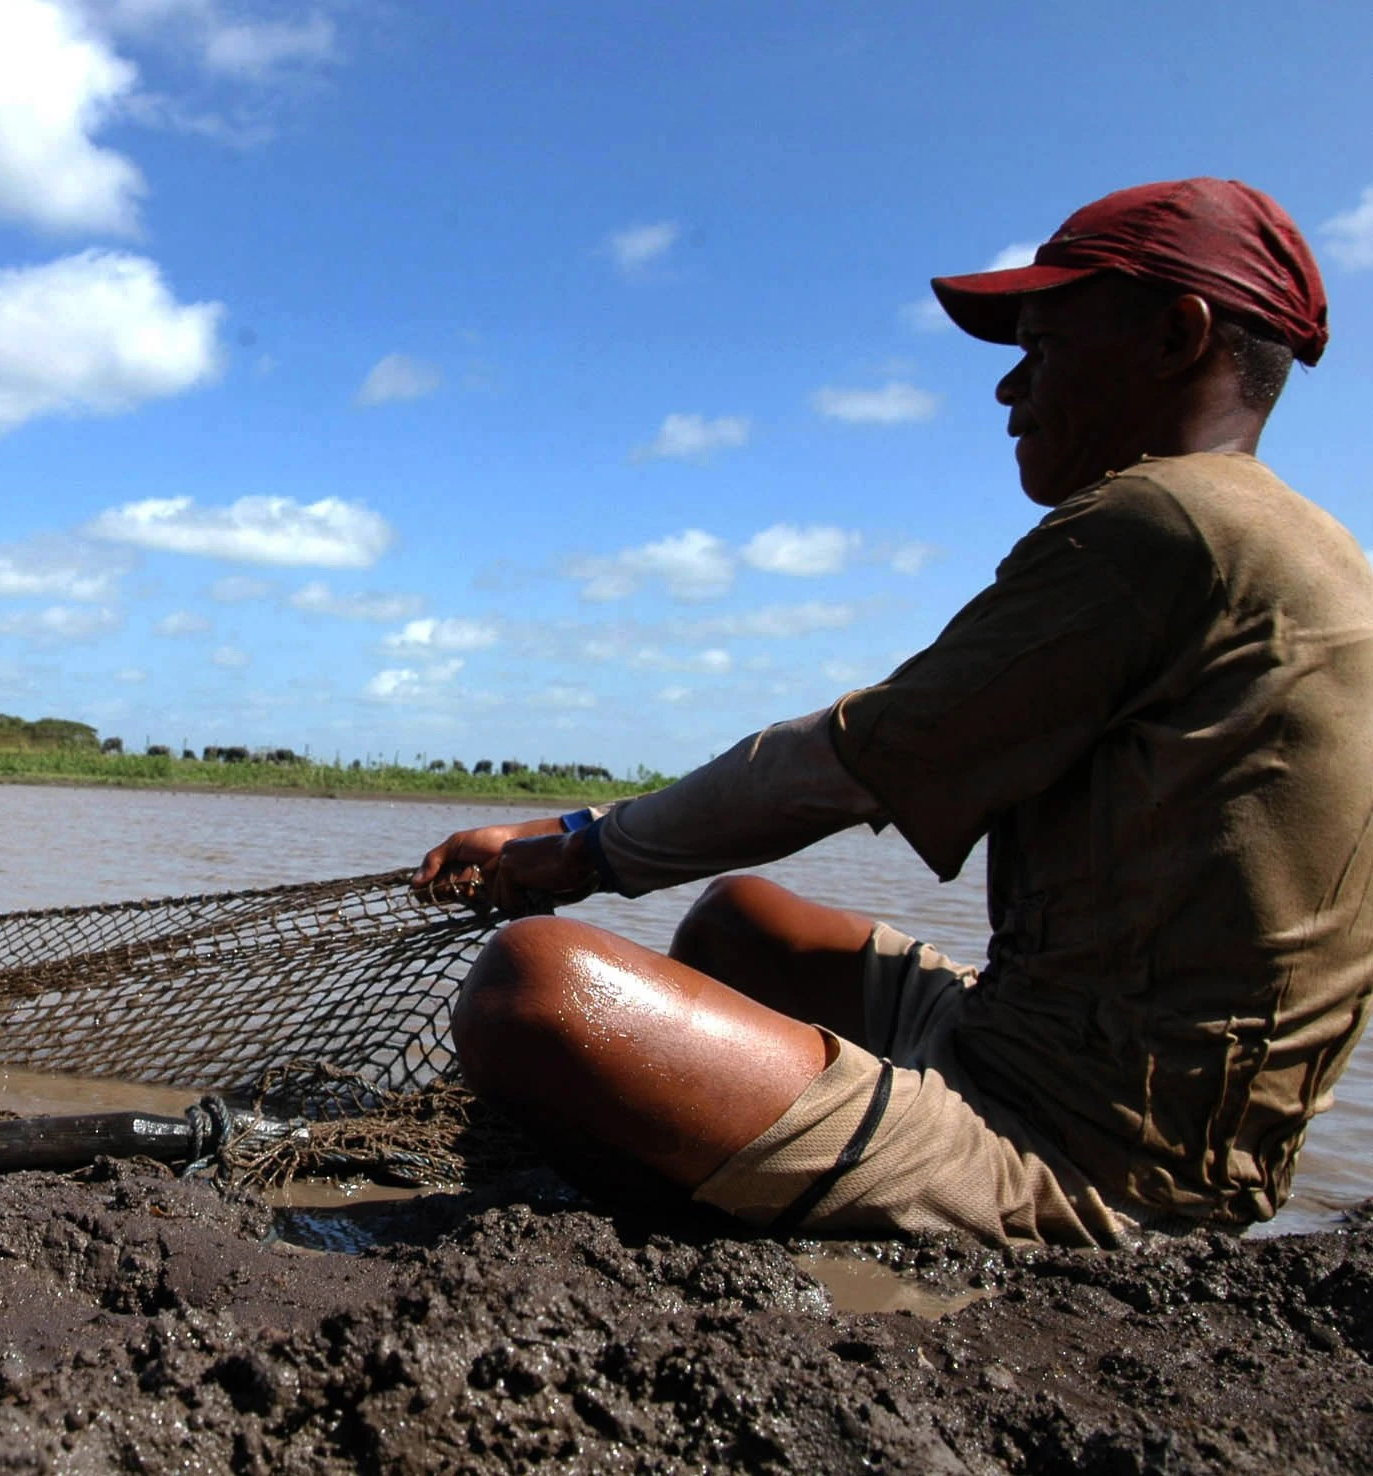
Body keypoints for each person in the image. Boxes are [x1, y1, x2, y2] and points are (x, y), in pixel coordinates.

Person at [415, 178, 1373, 1247]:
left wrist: (583, 849)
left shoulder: (1165, 520)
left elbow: (848, 761)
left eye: (1044, 347)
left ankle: (785, 1178)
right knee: (741, 921)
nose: (1011, 390)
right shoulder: (1312, 552)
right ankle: (764, 1133)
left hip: (1084, 1156)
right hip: (1039, 1047)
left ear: (1174, 337)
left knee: (534, 991)